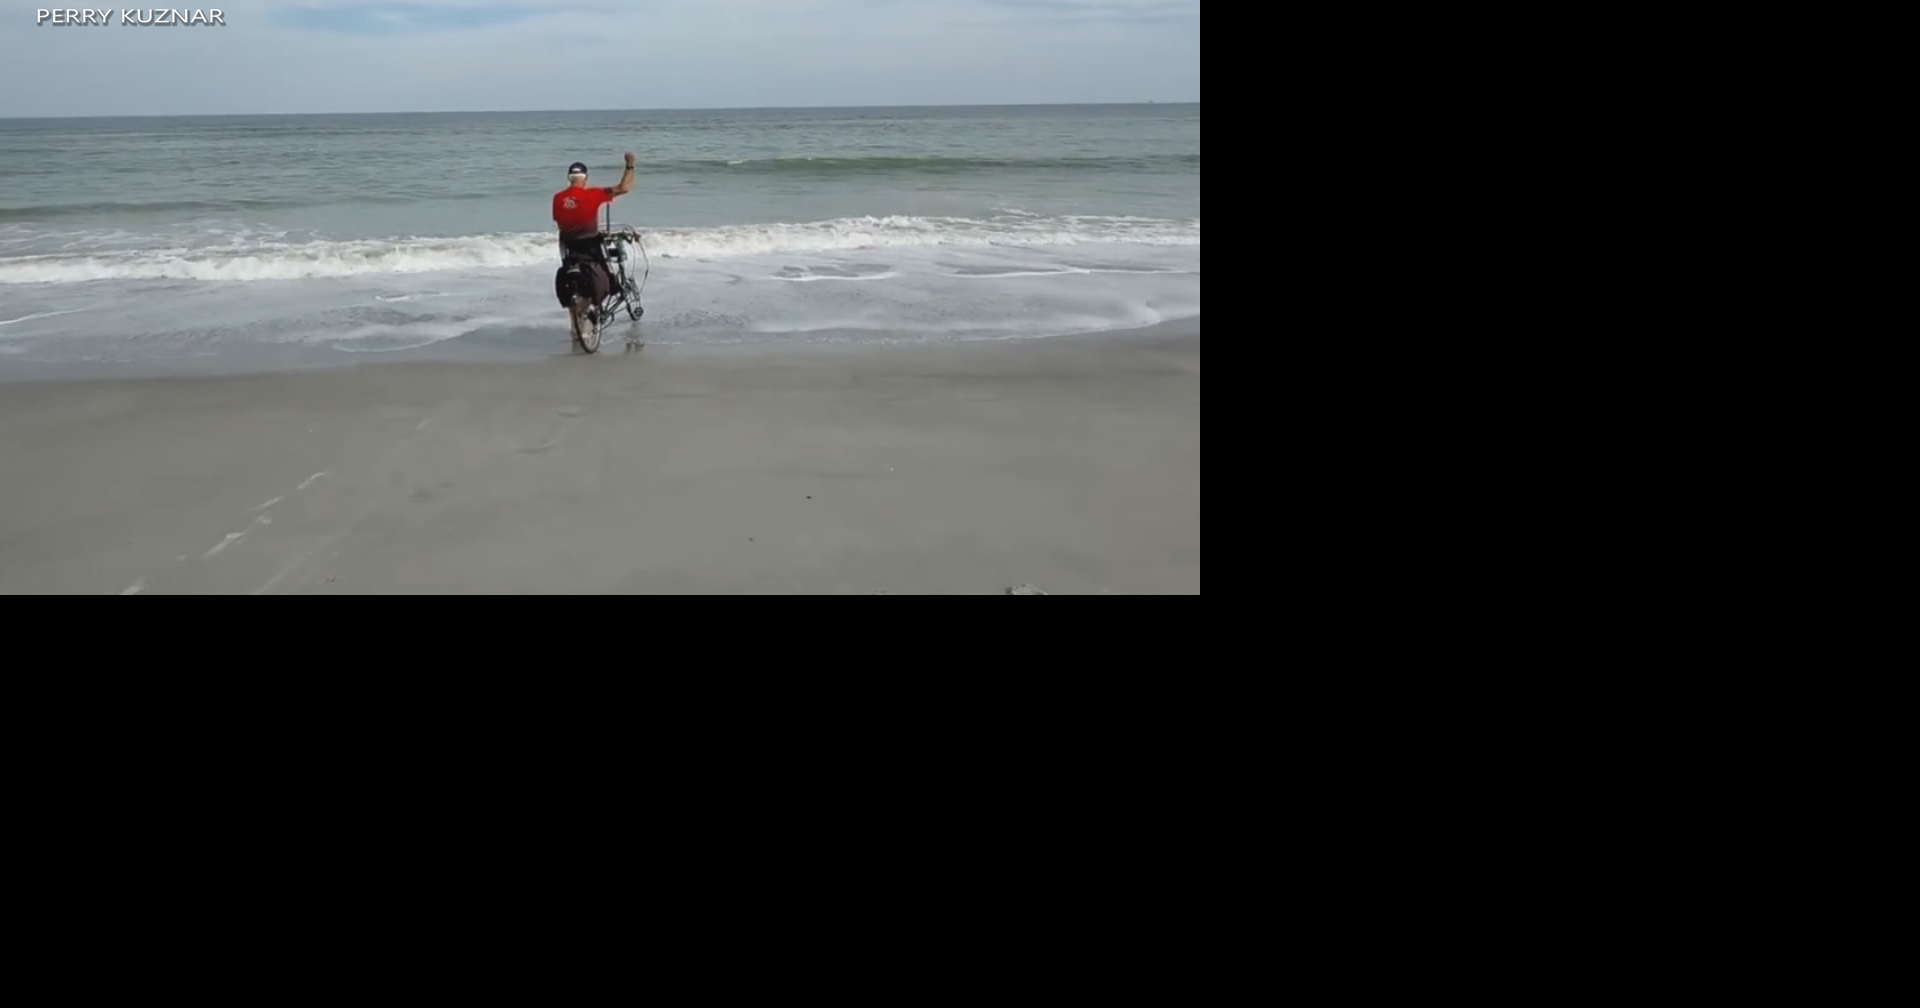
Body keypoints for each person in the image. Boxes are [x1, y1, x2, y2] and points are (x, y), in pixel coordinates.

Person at [552, 153, 636, 321]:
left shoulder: (557, 198)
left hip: (567, 246)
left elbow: (559, 221)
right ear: (586, 178)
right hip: (590, 245)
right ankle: (601, 298)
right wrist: (630, 165)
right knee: (605, 271)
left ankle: (575, 318)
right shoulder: (594, 194)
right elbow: (624, 188)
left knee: (569, 272)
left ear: (569, 178)